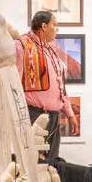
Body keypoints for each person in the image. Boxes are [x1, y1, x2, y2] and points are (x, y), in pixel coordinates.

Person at [15, 10, 77, 161]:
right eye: (54, 25)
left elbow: (61, 86)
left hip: (54, 116)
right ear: (43, 26)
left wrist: (70, 113)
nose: (57, 29)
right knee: (32, 162)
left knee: (51, 164)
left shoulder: (51, 49)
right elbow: (14, 84)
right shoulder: (21, 45)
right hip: (33, 115)